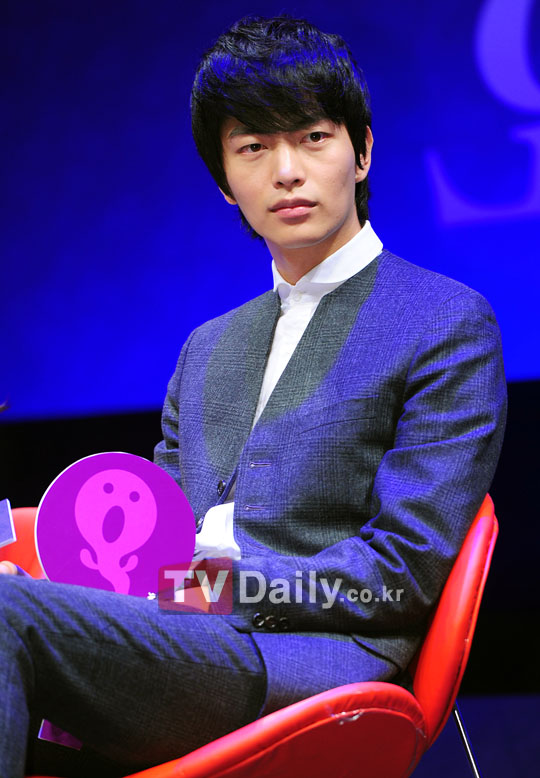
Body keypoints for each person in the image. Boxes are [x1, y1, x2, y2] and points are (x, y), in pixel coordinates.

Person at [0, 14, 506, 778]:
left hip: (313, 661)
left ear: (363, 152)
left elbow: (402, 571)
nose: (287, 171)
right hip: (181, 645)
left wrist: (212, 588)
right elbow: (153, 545)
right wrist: (56, 587)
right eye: (253, 148)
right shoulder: (208, 347)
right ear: (224, 184)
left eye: (312, 137)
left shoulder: (443, 320)